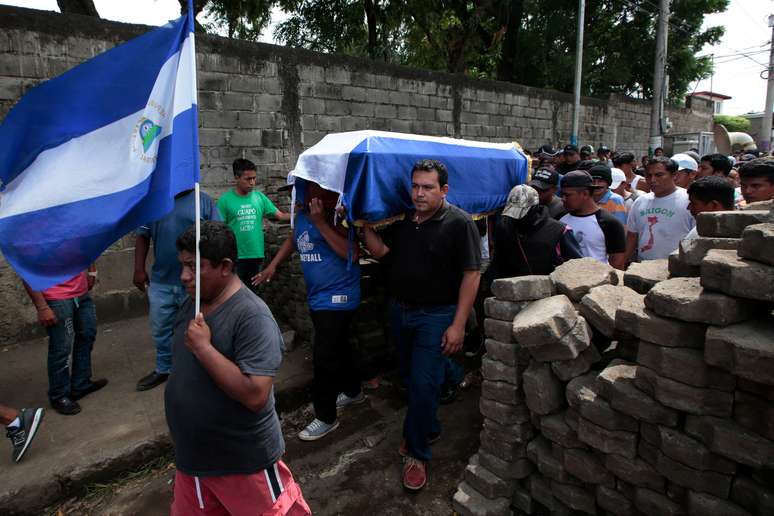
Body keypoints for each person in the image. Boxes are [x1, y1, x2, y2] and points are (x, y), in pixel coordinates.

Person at [165, 221, 310, 516]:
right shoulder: (193, 305)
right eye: (182, 266)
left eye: (194, 266)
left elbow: (256, 394)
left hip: (242, 463)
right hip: (193, 463)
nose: (184, 277)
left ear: (226, 266)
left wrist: (204, 348)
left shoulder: (252, 317)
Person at [362, 159, 481, 492]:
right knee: (411, 376)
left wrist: (457, 325)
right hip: (400, 312)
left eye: (427, 187)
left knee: (422, 384)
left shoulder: (458, 223)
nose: (419, 193)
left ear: (444, 190)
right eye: (415, 186)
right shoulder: (402, 220)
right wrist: (363, 225)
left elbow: (472, 274)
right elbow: (385, 254)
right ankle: (428, 426)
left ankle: (416, 452)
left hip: (436, 315)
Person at [255, 180, 364, 442]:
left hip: (339, 296)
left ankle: (326, 417)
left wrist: (322, 224)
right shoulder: (303, 216)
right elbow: (294, 239)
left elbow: (354, 253)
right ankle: (353, 391)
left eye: (301, 191)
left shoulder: (336, 216)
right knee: (340, 346)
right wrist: (273, 265)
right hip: (318, 297)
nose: (297, 197)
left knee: (323, 356)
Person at [133, 189, 220, 392]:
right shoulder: (155, 199)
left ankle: (195, 369)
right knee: (161, 329)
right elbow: (142, 235)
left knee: (194, 327)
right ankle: (164, 368)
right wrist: (138, 269)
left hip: (194, 283)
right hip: (161, 281)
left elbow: (218, 236)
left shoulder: (203, 201)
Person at [23, 268, 106, 415]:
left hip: (81, 292)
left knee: (87, 334)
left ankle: (81, 383)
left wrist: (92, 271)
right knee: (61, 347)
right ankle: (59, 395)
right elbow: (25, 269)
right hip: (56, 297)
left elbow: (86, 246)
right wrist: (42, 307)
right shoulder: (33, 243)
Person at [218, 159, 290, 289]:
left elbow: (280, 216)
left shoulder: (259, 197)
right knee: (235, 293)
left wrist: (300, 216)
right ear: (236, 178)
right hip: (235, 257)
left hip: (256, 255)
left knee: (253, 294)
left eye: (254, 178)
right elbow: (219, 230)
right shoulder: (225, 201)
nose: (252, 182)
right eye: (248, 179)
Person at [487, 185, 583, 279]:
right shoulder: (504, 226)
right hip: (510, 289)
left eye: (521, 213)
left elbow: (576, 267)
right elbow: (497, 261)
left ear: (534, 208)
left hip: (549, 290)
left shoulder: (559, 231)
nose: (517, 219)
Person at [625, 157, 695, 262]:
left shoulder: (689, 200)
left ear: (674, 175)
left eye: (659, 175)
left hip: (678, 269)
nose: (652, 180)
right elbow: (632, 237)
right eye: (648, 175)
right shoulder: (640, 201)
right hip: (643, 268)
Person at [558, 171, 627, 269]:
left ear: (585, 194)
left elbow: (617, 263)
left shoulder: (609, 223)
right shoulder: (561, 220)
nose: (563, 199)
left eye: (567, 195)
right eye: (562, 195)